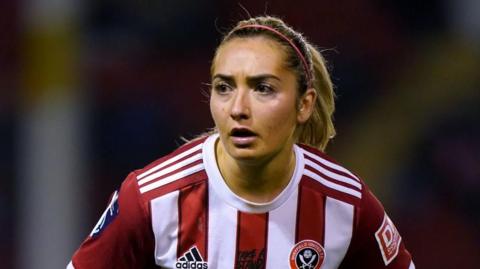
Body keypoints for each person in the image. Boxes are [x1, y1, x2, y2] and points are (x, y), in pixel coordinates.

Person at [67, 16, 414, 269]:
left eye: (263, 88)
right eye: (224, 87)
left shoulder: (345, 204)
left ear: (304, 104)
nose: (238, 109)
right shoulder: (151, 199)